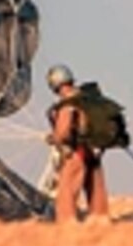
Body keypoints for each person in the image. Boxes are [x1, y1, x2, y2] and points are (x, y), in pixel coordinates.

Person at [45, 64, 111, 224]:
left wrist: (53, 138)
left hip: (77, 153)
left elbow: (63, 133)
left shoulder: (68, 103)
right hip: (94, 153)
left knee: (66, 191)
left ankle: (67, 224)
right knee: (96, 192)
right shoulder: (88, 98)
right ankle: (100, 221)